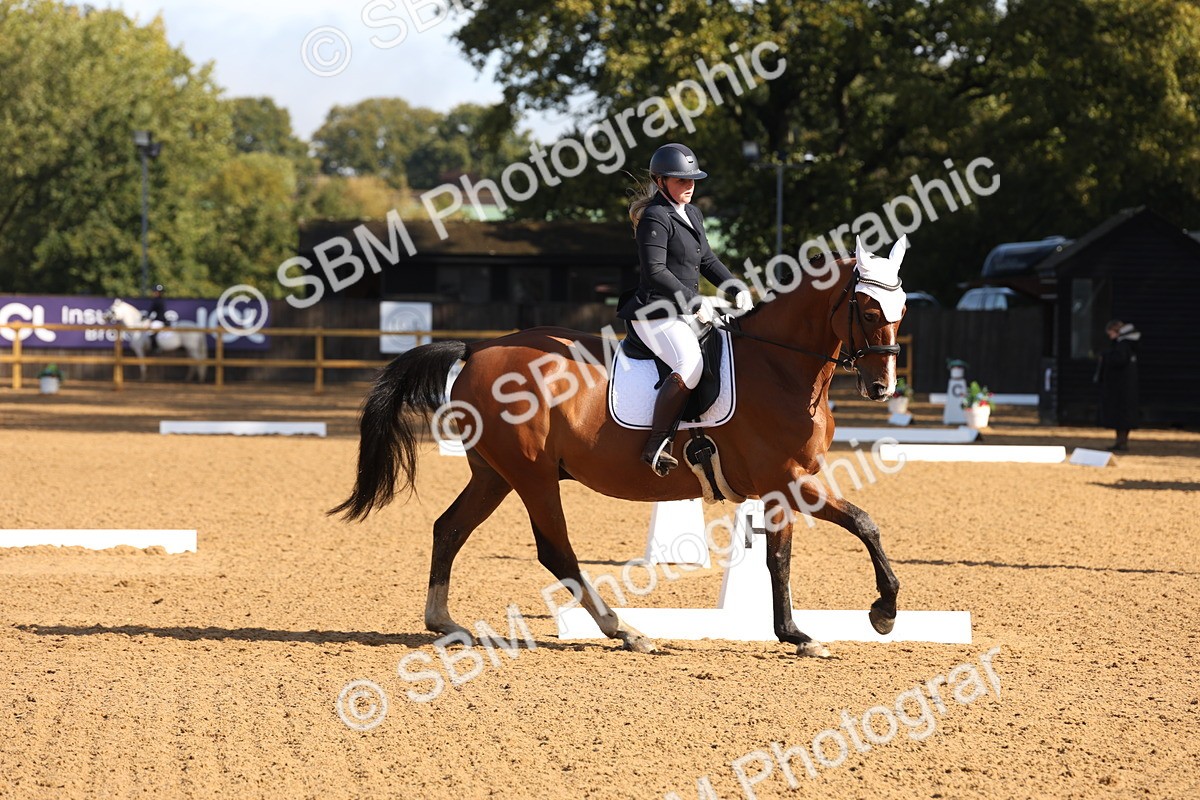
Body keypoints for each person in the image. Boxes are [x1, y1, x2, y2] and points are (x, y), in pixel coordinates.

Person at [617, 143, 752, 475]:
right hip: (655, 312)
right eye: (681, 180)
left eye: (692, 180)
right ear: (660, 181)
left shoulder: (692, 213)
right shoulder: (654, 217)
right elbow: (656, 271)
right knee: (689, 363)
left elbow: (706, 259)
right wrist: (693, 301)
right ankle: (656, 445)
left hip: (684, 310)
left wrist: (734, 286)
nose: (689, 186)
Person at [1096, 319, 1140, 451]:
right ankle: (1121, 442)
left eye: (1110, 333)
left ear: (1116, 331)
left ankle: (1121, 443)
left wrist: (1105, 356)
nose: (1110, 336)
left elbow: (1118, 361)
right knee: (1124, 416)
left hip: (1120, 387)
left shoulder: (1122, 345)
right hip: (1128, 387)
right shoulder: (1130, 344)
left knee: (1120, 416)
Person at [145, 284, 169, 352]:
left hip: (159, 320)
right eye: (155, 291)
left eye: (156, 292)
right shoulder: (160, 300)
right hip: (160, 320)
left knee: (150, 331)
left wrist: (148, 318)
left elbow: (151, 311)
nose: (154, 293)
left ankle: (155, 348)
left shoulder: (157, 301)